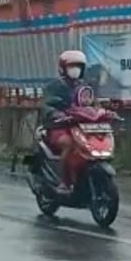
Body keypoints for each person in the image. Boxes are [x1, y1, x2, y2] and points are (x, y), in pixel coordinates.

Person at [41, 50, 88, 193]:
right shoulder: (54, 86)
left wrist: (105, 112)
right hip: (58, 127)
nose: (75, 70)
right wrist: (56, 113)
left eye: (78, 67)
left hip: (80, 127)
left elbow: (93, 104)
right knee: (69, 144)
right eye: (72, 66)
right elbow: (46, 105)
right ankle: (64, 181)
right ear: (63, 68)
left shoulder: (84, 87)